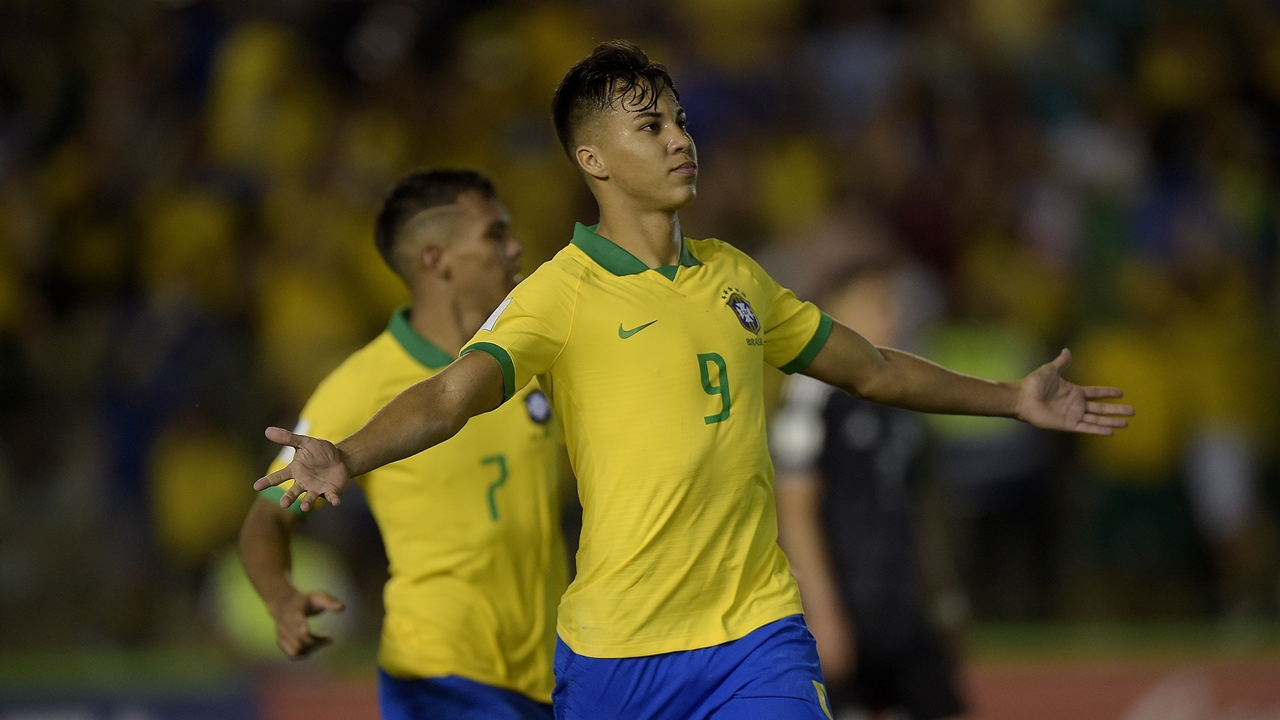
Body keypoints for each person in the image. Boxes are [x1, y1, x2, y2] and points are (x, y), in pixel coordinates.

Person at [252, 42, 1132, 720]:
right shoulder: (559, 293)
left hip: (758, 634)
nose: (681, 139)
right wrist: (349, 454)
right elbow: (451, 393)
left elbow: (871, 368)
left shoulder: (736, 278)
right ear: (593, 161)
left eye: (679, 120)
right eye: (652, 127)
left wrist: (1011, 398)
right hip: (615, 655)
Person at [238, 170, 567, 720]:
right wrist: (281, 599)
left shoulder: (531, 357)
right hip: (439, 675)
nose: (516, 247)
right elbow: (266, 518)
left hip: (551, 675)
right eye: (494, 234)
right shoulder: (361, 386)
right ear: (435, 260)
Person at [772, 262, 967, 720]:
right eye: (877, 304)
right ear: (834, 314)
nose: (891, 316)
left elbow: (914, 511)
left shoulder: (901, 398)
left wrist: (943, 597)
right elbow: (795, 509)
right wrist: (821, 613)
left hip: (901, 604)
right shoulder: (812, 396)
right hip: (847, 604)